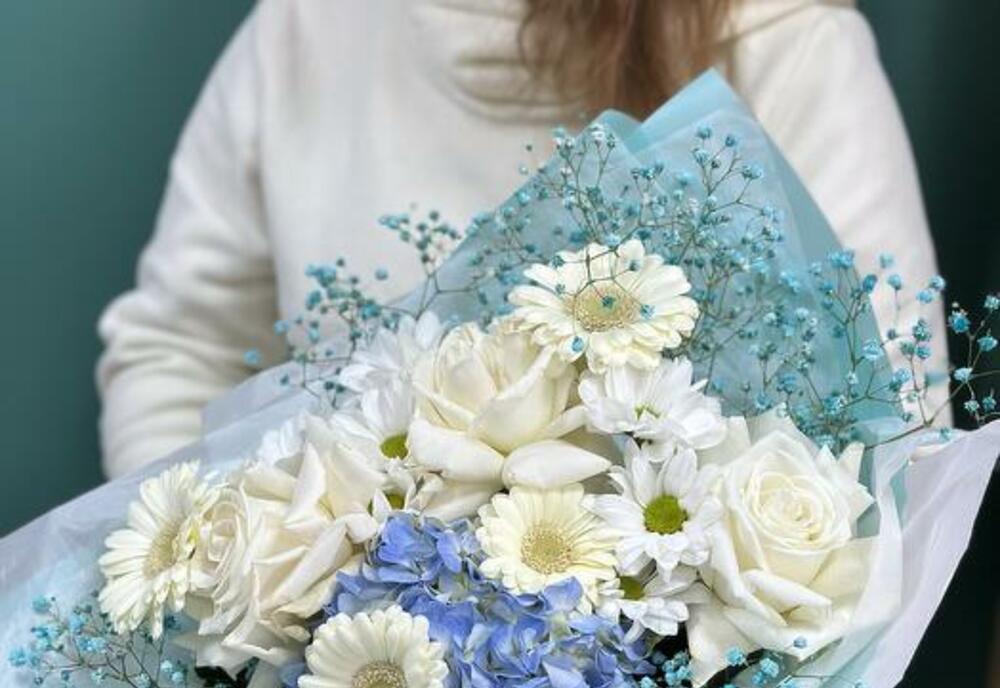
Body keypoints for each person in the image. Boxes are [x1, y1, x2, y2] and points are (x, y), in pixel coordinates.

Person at [97, 0, 947, 480]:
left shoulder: (788, 43)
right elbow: (180, 347)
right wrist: (216, 609)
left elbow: (895, 430)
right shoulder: (305, 28)